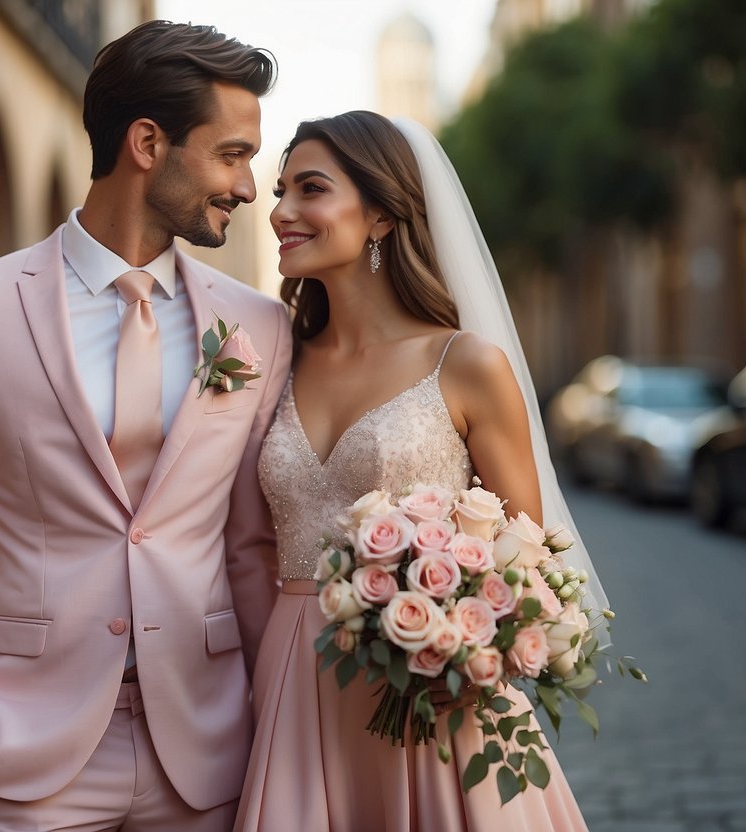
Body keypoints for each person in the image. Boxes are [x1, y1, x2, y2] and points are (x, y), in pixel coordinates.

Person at [0, 20, 292, 832]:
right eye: (233, 155)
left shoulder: (258, 328)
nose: (248, 188)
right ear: (147, 143)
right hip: (26, 746)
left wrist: (271, 713)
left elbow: (249, 545)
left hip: (206, 750)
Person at [235, 111, 605, 830]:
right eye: (279, 191)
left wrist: (457, 635)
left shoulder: (465, 364)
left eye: (309, 190)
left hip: (433, 693)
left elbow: (529, 561)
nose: (280, 212)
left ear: (378, 215)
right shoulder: (270, 362)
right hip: (289, 679)